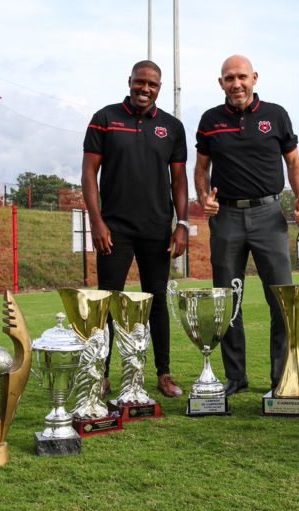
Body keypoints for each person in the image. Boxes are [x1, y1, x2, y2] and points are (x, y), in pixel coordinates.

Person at [194, 55, 299, 396]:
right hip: (226, 218)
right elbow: (201, 168)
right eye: (229, 78)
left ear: (254, 78)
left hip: (268, 215)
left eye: (242, 76)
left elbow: (294, 161)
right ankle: (236, 376)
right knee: (228, 300)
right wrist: (204, 197)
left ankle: (281, 377)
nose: (236, 84)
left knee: (280, 299)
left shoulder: (276, 115)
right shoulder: (210, 120)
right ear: (221, 83)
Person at [82, 60, 189, 399]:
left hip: (157, 229)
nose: (145, 89)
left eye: (152, 84)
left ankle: (164, 374)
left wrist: (181, 224)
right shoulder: (105, 118)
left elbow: (179, 180)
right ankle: (101, 375)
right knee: (107, 302)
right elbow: (88, 174)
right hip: (114, 228)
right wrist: (97, 222)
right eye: (140, 82)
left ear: (159, 88)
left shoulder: (172, 127)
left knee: (156, 302)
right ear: (129, 81)